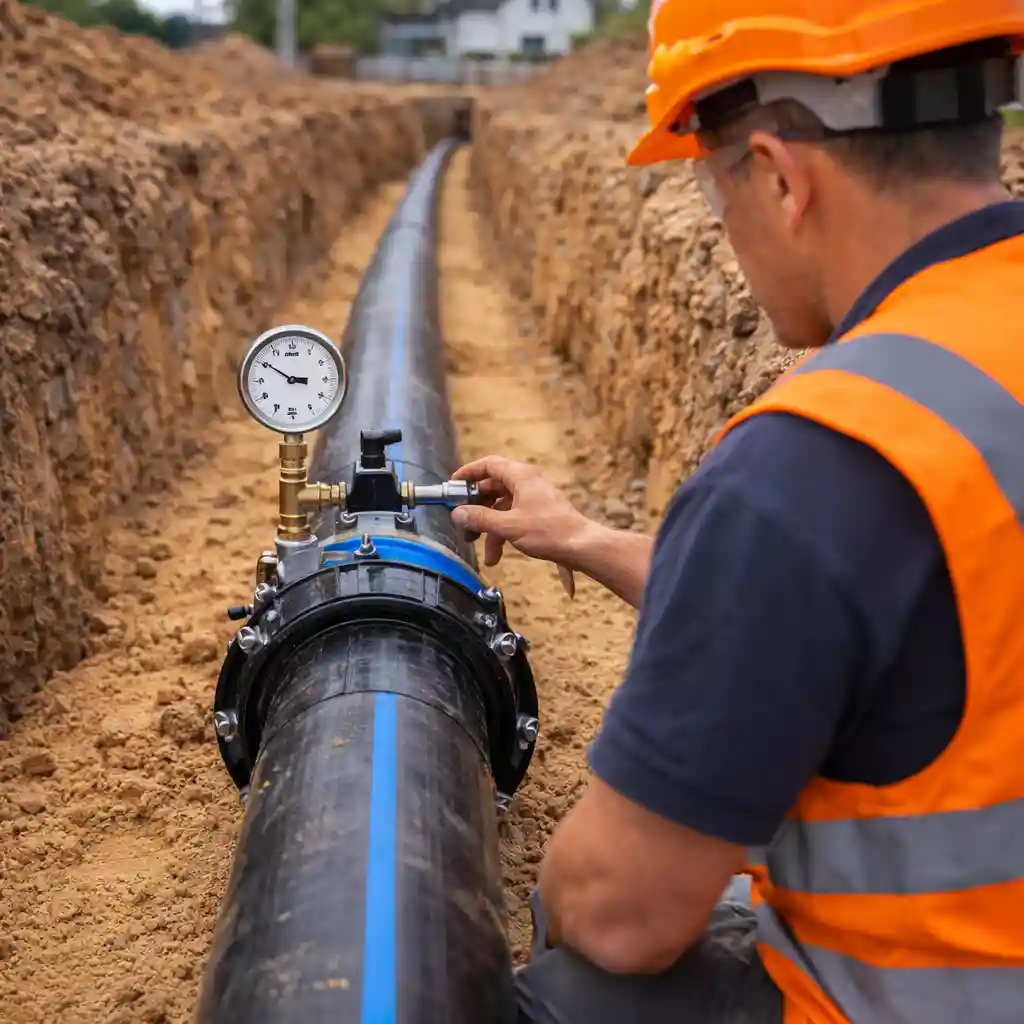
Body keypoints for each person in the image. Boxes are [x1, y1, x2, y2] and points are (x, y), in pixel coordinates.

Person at [450, 4, 1024, 1023]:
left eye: (713, 194)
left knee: (575, 979)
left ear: (777, 174)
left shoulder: (821, 457)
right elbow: (924, 604)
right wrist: (583, 537)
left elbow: (621, 909)